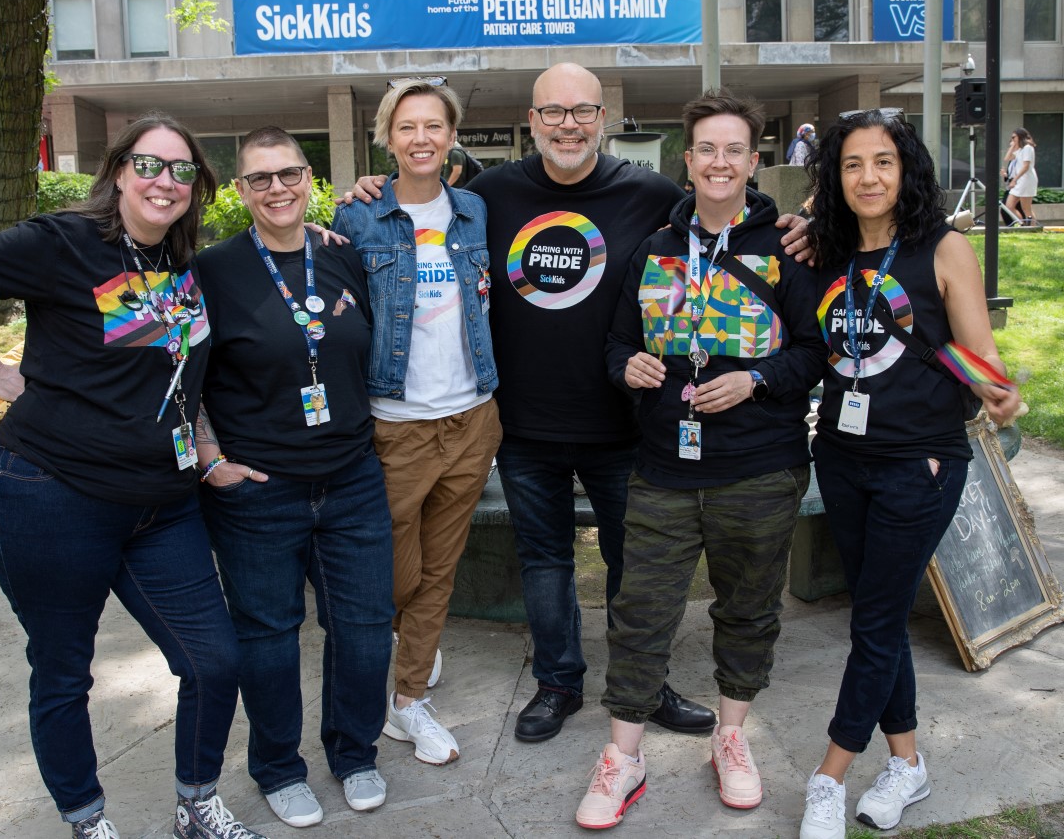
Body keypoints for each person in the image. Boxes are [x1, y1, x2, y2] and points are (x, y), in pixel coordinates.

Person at [344, 62, 812, 747]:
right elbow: (415, 206)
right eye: (553, 112)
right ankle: (558, 681)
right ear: (531, 122)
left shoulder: (650, 192)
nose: (568, 124)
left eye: (583, 111)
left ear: (603, 119)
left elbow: (721, 221)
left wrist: (797, 224)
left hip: (626, 422)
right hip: (525, 423)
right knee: (545, 560)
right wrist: (371, 187)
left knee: (638, 564)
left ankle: (643, 686)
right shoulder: (488, 195)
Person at [0, 113, 265, 839]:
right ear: (119, 171)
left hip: (162, 506)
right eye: (149, 165)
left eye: (182, 170)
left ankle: (197, 806)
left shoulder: (180, 269)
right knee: (64, 672)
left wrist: (208, 456)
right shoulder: (62, 242)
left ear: (198, 188)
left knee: (215, 660)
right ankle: (88, 820)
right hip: (52, 497)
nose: (165, 181)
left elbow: (178, 379)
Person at [576, 88, 824, 829]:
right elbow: (618, 342)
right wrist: (629, 368)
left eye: (734, 150)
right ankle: (624, 756)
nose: (720, 162)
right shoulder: (653, 250)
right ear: (688, 160)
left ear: (754, 161)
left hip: (760, 465)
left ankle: (731, 737)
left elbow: (815, 351)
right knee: (640, 610)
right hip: (663, 466)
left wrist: (756, 378)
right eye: (706, 149)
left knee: (747, 608)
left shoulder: (787, 249)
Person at [797, 109, 1023, 839]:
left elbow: (965, 352)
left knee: (874, 619)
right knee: (881, 616)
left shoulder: (941, 248)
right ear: (835, 175)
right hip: (840, 454)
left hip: (919, 462)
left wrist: (998, 390)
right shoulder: (826, 251)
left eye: (884, 161)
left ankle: (828, 776)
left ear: (907, 169)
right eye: (853, 163)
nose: (869, 176)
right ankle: (908, 763)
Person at [195, 126, 394, 829]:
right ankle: (279, 767)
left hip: (351, 478)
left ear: (310, 178)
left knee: (367, 628)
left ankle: (354, 752)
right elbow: (185, 378)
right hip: (259, 490)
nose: (277, 189)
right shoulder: (212, 270)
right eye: (259, 179)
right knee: (269, 635)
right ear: (240, 191)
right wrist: (212, 459)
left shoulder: (343, 255)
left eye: (288, 175)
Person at [331, 77, 501, 766]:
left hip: (471, 417)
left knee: (441, 569)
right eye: (408, 127)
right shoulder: (358, 218)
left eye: (435, 125)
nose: (422, 138)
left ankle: (408, 703)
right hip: (394, 423)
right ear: (387, 137)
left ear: (452, 135)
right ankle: (409, 648)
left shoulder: (475, 212)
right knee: (396, 574)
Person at [1005, 127, 1038, 227]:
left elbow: (1026, 166)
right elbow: (1007, 158)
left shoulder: (1028, 148)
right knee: (1009, 205)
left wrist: (1014, 180)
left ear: (1020, 136)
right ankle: (1023, 223)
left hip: (1026, 180)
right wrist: (1012, 146)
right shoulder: (1019, 150)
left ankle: (1032, 227)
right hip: (1020, 180)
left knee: (1026, 208)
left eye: (1014, 137)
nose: (1012, 139)